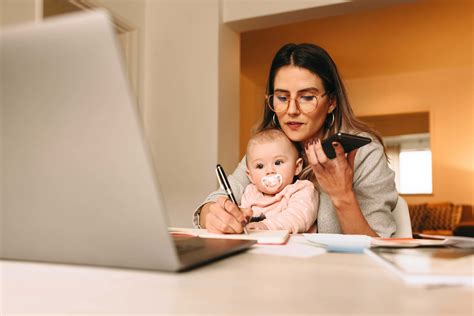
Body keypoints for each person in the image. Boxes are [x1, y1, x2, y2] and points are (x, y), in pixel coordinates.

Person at [194, 43, 397, 237]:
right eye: (282, 98)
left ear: (332, 102)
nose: (291, 111)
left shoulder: (364, 153)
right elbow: (219, 198)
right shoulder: (268, 146)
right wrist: (211, 213)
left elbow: (380, 247)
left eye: (307, 97)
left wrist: (343, 196)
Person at [241, 128, 318, 234]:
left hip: (293, 248)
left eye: (278, 162)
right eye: (260, 166)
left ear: (297, 167)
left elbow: (298, 216)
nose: (269, 171)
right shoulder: (250, 192)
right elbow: (243, 216)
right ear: (250, 176)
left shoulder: (301, 189)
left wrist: (266, 226)